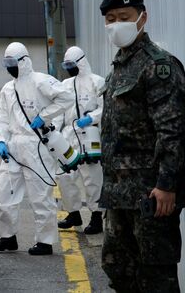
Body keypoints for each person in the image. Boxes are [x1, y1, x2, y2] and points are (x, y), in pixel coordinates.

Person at [98, 0, 185, 292]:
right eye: (110, 19)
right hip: (118, 195)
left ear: (142, 18)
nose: (115, 24)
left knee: (156, 279)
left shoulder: (159, 66)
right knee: (118, 271)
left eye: (123, 16)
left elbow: (172, 131)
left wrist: (166, 185)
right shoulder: (118, 68)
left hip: (151, 197)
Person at [0, 42, 72, 255]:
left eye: (12, 62)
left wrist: (44, 117)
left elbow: (66, 97)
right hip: (14, 147)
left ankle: (44, 242)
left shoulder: (41, 81)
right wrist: (0, 140)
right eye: (6, 63)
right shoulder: (8, 89)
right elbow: (1, 116)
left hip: (36, 146)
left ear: (23, 61)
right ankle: (7, 237)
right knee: (2, 193)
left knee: (41, 196)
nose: (9, 67)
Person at [53, 46, 105, 234]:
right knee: (64, 176)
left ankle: (96, 217)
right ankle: (73, 213)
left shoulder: (97, 82)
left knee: (92, 178)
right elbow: (59, 110)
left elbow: (104, 107)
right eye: (66, 65)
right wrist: (53, 130)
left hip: (89, 135)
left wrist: (91, 118)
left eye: (71, 64)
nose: (69, 68)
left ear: (81, 62)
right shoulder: (65, 84)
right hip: (68, 136)